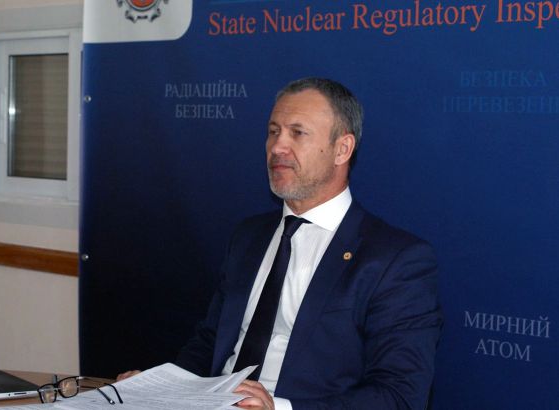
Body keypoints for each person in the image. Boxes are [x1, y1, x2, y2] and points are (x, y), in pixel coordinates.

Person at [119, 78, 443, 410]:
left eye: (297, 133)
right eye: (273, 132)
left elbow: (401, 396)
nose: (277, 147)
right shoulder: (249, 236)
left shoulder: (395, 260)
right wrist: (158, 388)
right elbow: (210, 344)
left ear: (342, 149)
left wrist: (280, 408)